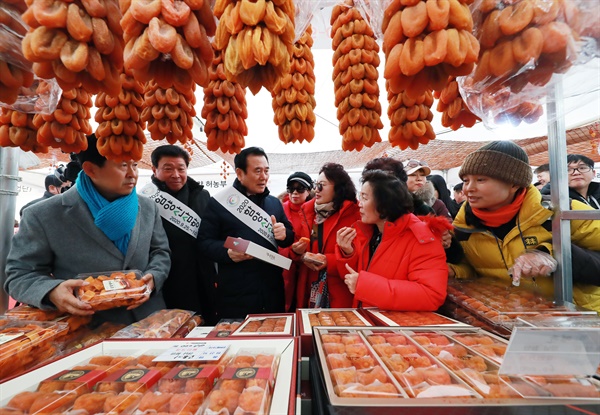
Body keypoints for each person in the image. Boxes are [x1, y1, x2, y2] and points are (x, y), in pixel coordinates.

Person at [5, 134, 171, 325]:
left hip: (149, 321)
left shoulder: (147, 207)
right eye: (123, 166)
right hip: (86, 327)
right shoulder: (43, 215)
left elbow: (160, 252)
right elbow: (19, 274)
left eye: (134, 165)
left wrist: (154, 277)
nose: (132, 174)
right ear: (91, 169)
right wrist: (52, 291)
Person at [449, 141, 600, 312]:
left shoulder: (564, 213)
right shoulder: (464, 225)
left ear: (514, 184)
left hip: (578, 318)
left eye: (481, 180)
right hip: (508, 319)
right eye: (466, 180)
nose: (469, 188)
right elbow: (472, 269)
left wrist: (552, 253)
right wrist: (454, 271)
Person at [197, 147, 294, 322]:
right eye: (257, 171)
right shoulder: (219, 203)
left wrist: (284, 234)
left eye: (266, 170)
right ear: (240, 173)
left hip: (272, 291)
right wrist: (227, 253)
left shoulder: (274, 203)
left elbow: (289, 237)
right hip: (237, 294)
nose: (263, 176)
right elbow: (204, 243)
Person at [335, 170, 449, 310]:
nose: (359, 204)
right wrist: (348, 253)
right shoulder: (371, 232)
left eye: (364, 198)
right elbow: (353, 278)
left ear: (384, 203)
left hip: (395, 328)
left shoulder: (421, 237)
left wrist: (366, 286)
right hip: (369, 322)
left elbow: (431, 295)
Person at [144, 145, 212, 314]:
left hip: (203, 277)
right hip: (167, 279)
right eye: (168, 169)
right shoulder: (146, 200)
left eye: (181, 169)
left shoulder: (202, 195)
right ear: (154, 169)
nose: (176, 175)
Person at [295, 163, 360, 309]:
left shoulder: (354, 215)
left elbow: (360, 257)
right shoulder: (308, 212)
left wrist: (328, 261)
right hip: (309, 288)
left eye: (322, 185)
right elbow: (298, 244)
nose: (316, 190)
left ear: (338, 188)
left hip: (339, 293)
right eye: (315, 184)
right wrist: (298, 252)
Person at [280, 171, 314, 311]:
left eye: (300, 188)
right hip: (285, 267)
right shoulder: (279, 209)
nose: (295, 192)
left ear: (309, 191)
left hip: (308, 267)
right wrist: (292, 251)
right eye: (291, 189)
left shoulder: (315, 211)